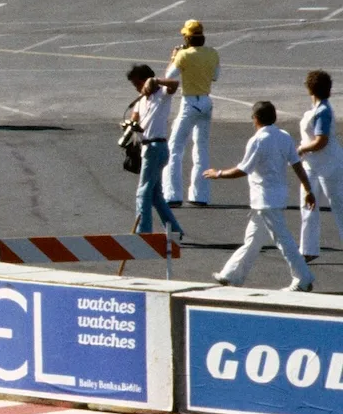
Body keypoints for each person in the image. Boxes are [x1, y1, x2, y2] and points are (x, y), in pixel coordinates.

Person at [207, 101, 317, 292]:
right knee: (253, 240)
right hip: (274, 198)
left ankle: (303, 278)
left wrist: (218, 174)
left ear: (256, 119)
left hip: (265, 200)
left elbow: (243, 169)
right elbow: (297, 164)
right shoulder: (284, 136)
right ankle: (231, 275)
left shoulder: (258, 140)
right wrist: (308, 189)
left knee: (284, 241)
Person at [125, 64, 185, 240]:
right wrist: (129, 126)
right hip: (147, 147)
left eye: (138, 84)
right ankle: (175, 230)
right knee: (156, 195)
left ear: (146, 81)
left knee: (142, 192)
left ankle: (143, 233)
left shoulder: (162, 94)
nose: (137, 88)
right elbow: (134, 118)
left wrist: (156, 80)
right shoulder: (141, 99)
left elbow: (175, 84)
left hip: (156, 147)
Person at [165, 19, 220, 206]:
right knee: (201, 147)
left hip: (190, 102)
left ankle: (172, 194)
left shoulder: (184, 55)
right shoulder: (212, 53)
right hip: (206, 100)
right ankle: (200, 195)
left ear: (188, 37)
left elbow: (169, 77)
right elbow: (215, 76)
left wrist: (174, 58)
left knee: (174, 147)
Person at [298, 70, 343, 262]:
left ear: (310, 90)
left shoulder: (322, 111)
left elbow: (321, 141)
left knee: (339, 203)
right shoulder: (317, 109)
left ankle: (308, 249)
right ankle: (308, 249)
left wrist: (300, 149)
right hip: (313, 164)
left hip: (328, 164)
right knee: (308, 204)